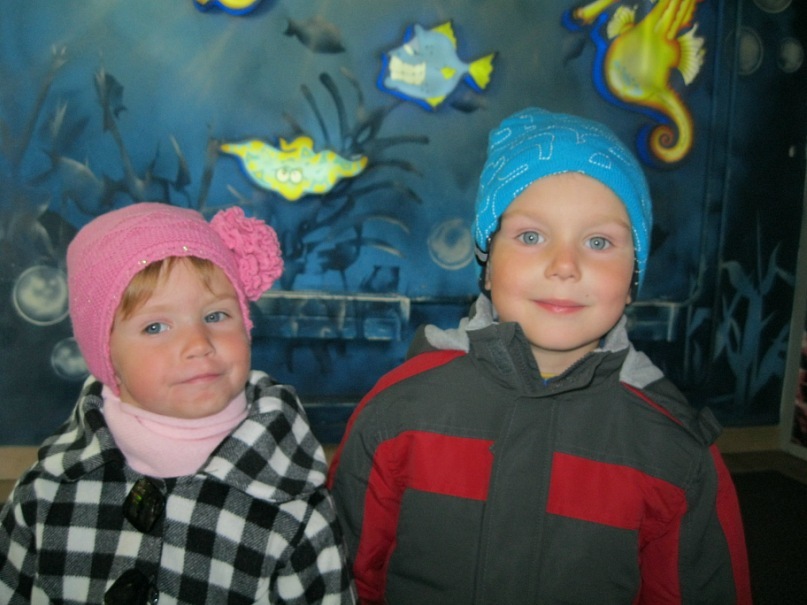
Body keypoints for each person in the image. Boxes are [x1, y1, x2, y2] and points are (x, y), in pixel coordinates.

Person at [327, 108, 751, 604]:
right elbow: (343, 579)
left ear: (633, 276)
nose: (564, 265)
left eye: (599, 241)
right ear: (487, 264)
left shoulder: (675, 450)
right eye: (531, 236)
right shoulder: (398, 413)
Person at [0, 203, 356, 604]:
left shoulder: (293, 508)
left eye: (216, 315)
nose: (198, 344)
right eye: (155, 326)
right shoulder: (45, 494)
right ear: (106, 353)